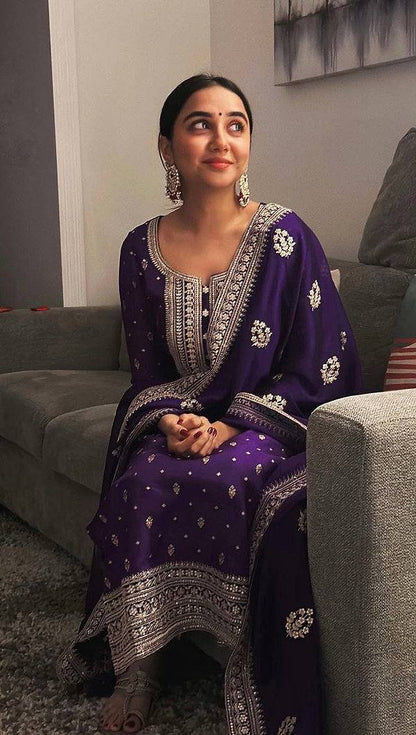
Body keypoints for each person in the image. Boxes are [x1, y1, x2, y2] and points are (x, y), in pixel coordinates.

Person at [59, 73, 362, 734]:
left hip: (273, 423)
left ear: (249, 143)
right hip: (181, 417)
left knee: (236, 477)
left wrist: (232, 425)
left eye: (236, 124)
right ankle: (141, 663)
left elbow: (322, 366)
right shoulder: (140, 249)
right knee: (141, 479)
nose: (221, 139)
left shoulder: (286, 238)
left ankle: (246, 654)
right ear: (167, 146)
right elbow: (149, 373)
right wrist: (168, 419)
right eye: (201, 124)